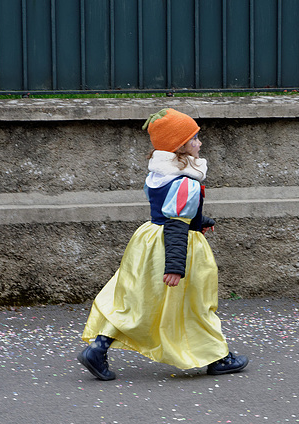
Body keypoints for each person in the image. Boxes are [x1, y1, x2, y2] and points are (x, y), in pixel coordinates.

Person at [77, 108, 248, 381]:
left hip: (149, 240)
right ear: (180, 147)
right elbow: (178, 222)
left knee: (134, 299)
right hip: (174, 246)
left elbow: (168, 210)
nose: (200, 143)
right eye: (194, 139)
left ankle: (98, 348)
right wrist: (175, 266)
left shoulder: (158, 174)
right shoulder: (185, 182)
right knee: (196, 302)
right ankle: (218, 357)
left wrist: (200, 219)